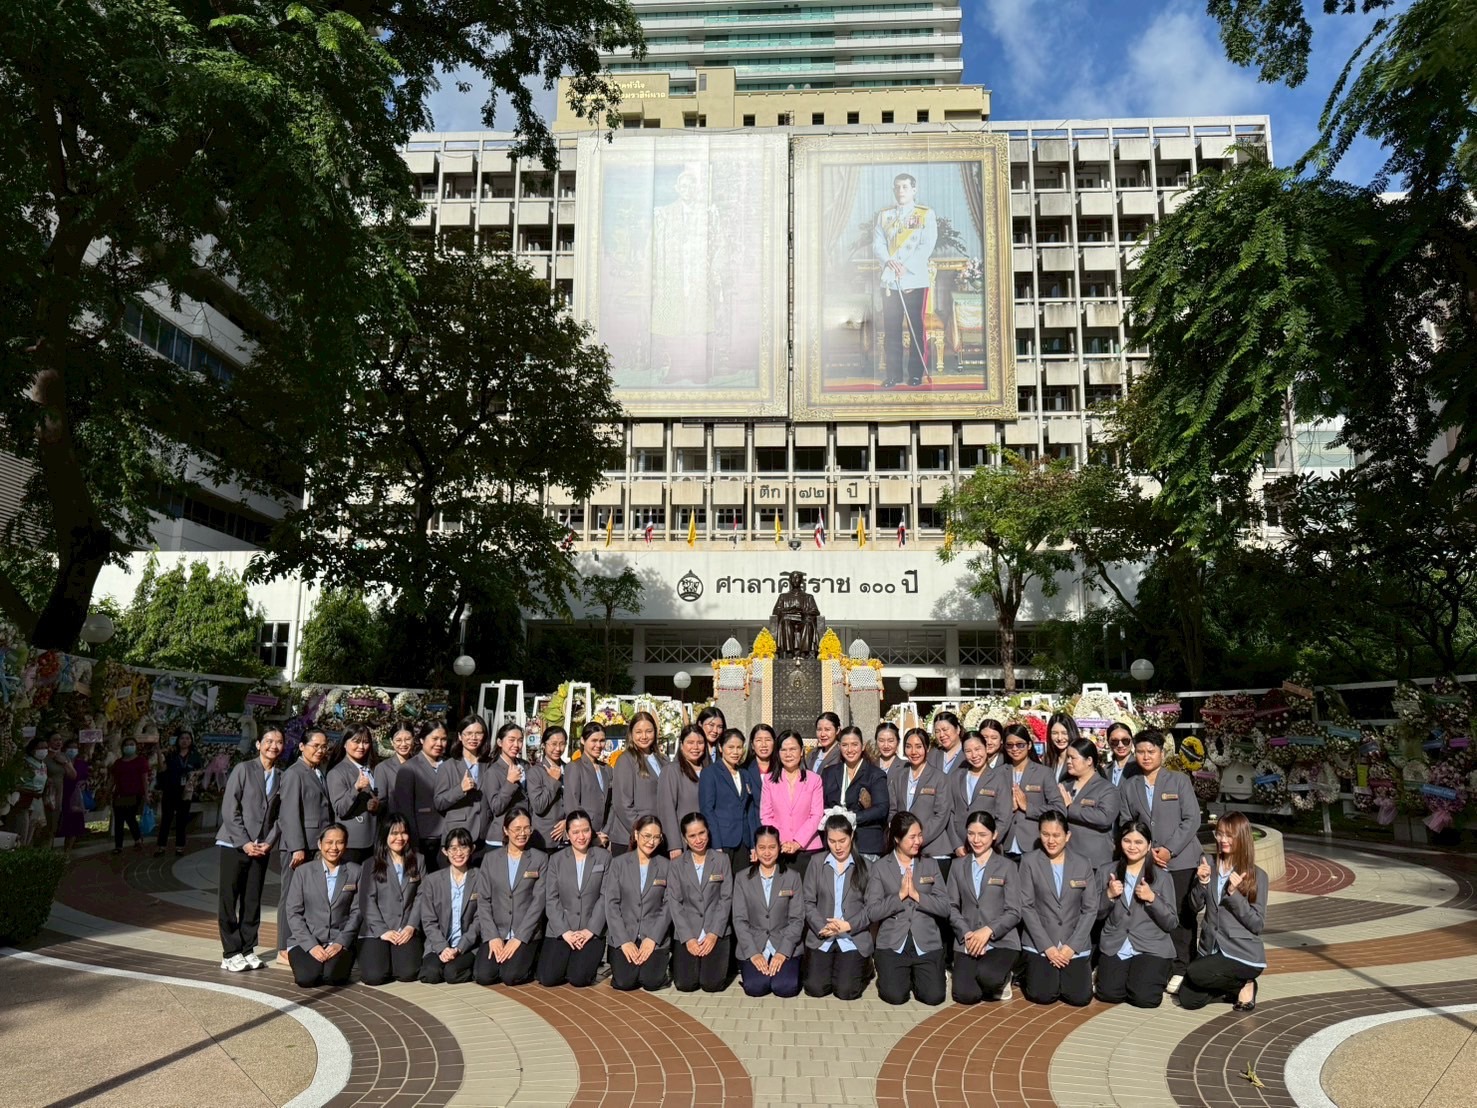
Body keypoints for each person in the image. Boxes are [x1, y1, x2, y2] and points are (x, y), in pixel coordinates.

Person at [1118, 727, 1202, 993]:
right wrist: (1146, 851)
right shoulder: (1129, 785)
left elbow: (1192, 819)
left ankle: (1182, 967)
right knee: (1156, 911)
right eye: (1140, 752)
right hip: (1149, 862)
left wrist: (1169, 849)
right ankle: (1162, 962)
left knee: (1182, 914)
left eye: (1151, 751)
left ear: (1162, 753)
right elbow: (1126, 822)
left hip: (1180, 860)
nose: (1145, 756)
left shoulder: (1179, 781)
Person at [1179, 811, 1267, 1012]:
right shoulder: (1207, 863)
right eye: (1219, 834)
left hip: (1241, 952)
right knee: (1189, 1000)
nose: (1223, 840)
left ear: (1242, 837)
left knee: (1195, 972)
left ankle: (1246, 983)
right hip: (1210, 947)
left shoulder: (1257, 876)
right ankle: (1236, 988)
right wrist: (1202, 883)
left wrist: (1234, 895)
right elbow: (1194, 906)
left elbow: (1257, 924)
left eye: (1229, 835)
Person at [216, 727, 284, 973]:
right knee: (229, 897)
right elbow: (229, 808)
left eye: (278, 742)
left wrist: (270, 841)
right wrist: (244, 842)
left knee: (252, 898)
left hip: (261, 847)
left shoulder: (282, 776)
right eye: (268, 741)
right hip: (235, 844)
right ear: (258, 744)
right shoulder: (243, 769)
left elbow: (281, 816)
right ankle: (230, 952)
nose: (273, 746)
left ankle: (247, 948)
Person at [867, 811, 949, 1005]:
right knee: (895, 996)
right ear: (897, 838)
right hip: (893, 941)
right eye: (912, 837)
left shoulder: (930, 864)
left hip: (926, 941)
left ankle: (926, 974)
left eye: (920, 835)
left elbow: (945, 907)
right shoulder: (880, 867)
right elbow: (873, 911)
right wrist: (900, 896)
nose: (918, 841)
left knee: (934, 997)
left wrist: (918, 896)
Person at [1018, 810, 1099, 1006]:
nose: (1051, 840)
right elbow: (1026, 906)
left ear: (1067, 836)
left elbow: (1090, 909)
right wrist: (1048, 947)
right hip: (1042, 941)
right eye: (1045, 834)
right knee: (1043, 996)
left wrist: (1072, 947)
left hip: (1073, 941)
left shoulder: (1083, 863)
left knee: (1080, 998)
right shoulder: (1029, 862)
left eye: (1056, 835)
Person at [1096, 819, 1178, 1008]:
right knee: (1108, 994)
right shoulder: (1106, 871)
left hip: (1151, 945)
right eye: (1127, 841)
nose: (1132, 847)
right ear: (1120, 842)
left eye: (1138, 842)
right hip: (1116, 942)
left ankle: (1155, 974)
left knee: (1144, 998)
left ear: (1148, 845)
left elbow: (1171, 922)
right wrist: (1108, 896)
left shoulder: (1162, 877)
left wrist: (1152, 899)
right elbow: (1095, 914)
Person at [947, 811, 1021, 1004]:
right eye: (971, 834)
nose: (976, 840)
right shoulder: (957, 866)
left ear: (994, 835)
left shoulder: (1008, 867)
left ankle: (1003, 977)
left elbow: (1014, 911)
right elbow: (951, 906)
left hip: (1000, 939)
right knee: (965, 995)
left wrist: (988, 930)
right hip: (969, 939)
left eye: (982, 834)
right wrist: (967, 933)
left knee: (989, 978)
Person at [872, 171, 937, 387]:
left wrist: (905, 267)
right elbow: (878, 244)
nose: (901, 191)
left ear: (914, 190)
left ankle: (916, 374)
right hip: (890, 280)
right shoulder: (884, 216)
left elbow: (926, 246)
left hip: (914, 280)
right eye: (897, 187)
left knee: (915, 328)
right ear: (893, 190)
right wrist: (889, 261)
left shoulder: (925, 214)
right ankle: (894, 375)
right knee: (891, 329)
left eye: (905, 187)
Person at [537, 809, 612, 988]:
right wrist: (565, 932)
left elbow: (605, 896)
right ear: (568, 834)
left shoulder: (604, 857)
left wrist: (590, 930)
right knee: (548, 978)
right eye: (575, 832)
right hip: (563, 928)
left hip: (590, 929)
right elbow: (551, 898)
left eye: (586, 830)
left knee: (579, 979)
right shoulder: (556, 860)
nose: (581, 836)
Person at [802, 813, 872, 1000]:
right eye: (832, 841)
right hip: (823, 936)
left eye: (842, 840)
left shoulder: (866, 866)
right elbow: (808, 901)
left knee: (846, 991)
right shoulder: (817, 863)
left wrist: (849, 925)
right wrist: (821, 926)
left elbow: (871, 908)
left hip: (851, 937)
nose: (838, 847)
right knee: (815, 988)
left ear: (852, 836)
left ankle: (865, 966)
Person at [474, 806, 546, 986]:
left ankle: (533, 959)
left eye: (527, 828)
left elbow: (538, 903)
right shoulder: (490, 859)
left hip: (525, 932)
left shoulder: (540, 859)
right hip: (498, 930)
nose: (522, 833)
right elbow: (484, 900)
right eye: (517, 829)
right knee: (484, 976)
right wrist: (492, 936)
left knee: (510, 976)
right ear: (506, 830)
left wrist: (519, 938)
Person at [278, 729, 333, 963]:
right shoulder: (294, 773)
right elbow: (289, 813)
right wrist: (297, 847)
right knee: (291, 896)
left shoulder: (318, 772)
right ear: (301, 746)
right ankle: (284, 946)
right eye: (315, 745)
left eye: (323, 746)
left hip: (316, 844)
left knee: (309, 896)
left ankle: (304, 942)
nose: (320, 750)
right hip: (300, 846)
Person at [284, 823, 361, 987]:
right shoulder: (303, 872)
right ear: (320, 844)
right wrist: (311, 946)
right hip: (306, 939)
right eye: (329, 842)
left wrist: (341, 942)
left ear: (346, 845)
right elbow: (293, 912)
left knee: (333, 978)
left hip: (338, 939)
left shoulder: (355, 871)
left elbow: (357, 912)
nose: (334, 847)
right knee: (306, 979)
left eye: (339, 842)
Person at [732, 825, 805, 998]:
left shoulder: (792, 877)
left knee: (785, 988)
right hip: (755, 943)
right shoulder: (742, 878)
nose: (767, 853)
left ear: (779, 848)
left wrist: (782, 952)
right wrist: (753, 953)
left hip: (783, 942)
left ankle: (789, 970)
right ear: (755, 849)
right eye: (762, 847)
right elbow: (739, 920)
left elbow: (797, 919)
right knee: (755, 987)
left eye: (772, 847)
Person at [603, 814, 673, 991]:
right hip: (626, 934)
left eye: (656, 837)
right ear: (636, 834)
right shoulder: (618, 864)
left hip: (652, 935)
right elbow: (611, 904)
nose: (651, 841)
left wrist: (653, 938)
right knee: (624, 982)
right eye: (647, 836)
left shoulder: (666, 866)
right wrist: (624, 941)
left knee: (651, 982)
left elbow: (668, 905)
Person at [668, 813, 734, 993]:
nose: (698, 840)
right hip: (688, 931)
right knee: (685, 985)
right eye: (692, 836)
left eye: (701, 833)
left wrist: (713, 934)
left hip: (715, 929)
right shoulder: (676, 865)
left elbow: (726, 898)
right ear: (685, 838)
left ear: (708, 832)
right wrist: (688, 938)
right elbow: (675, 903)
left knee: (711, 985)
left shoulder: (721, 860)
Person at [359, 815, 424, 985]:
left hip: (405, 928)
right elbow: (367, 900)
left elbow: (422, 896)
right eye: (394, 833)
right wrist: (383, 931)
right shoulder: (370, 864)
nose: (399, 838)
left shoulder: (419, 860)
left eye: (403, 833)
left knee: (408, 973)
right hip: (377, 930)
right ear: (384, 835)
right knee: (375, 976)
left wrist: (411, 926)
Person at [418, 828, 481, 984]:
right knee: (431, 974)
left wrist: (459, 947)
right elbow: (428, 921)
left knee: (452, 974)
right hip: (439, 944)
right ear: (445, 851)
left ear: (472, 849)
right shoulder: (432, 881)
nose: (458, 853)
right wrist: (443, 948)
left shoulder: (480, 878)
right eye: (453, 848)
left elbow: (479, 919)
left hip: (467, 945)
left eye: (463, 847)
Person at [889, 728, 954, 875]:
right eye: (908, 746)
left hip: (933, 850)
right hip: (904, 851)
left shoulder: (939, 778)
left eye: (918, 746)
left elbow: (941, 815)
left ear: (927, 748)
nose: (913, 752)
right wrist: (902, 838)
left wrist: (917, 839)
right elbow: (893, 811)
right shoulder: (898, 777)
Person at [822, 726, 889, 860]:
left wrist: (854, 817)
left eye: (854, 744)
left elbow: (881, 809)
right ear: (839, 747)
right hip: (835, 841)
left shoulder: (875, 774)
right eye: (845, 745)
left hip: (864, 841)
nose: (850, 750)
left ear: (862, 747)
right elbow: (822, 802)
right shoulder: (829, 772)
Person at [761, 730, 824, 872]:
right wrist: (782, 841)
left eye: (793, 749)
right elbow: (766, 815)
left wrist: (797, 842)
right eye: (783, 750)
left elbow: (816, 815)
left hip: (808, 849)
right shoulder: (769, 781)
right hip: (780, 848)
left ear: (801, 751)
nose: (788, 754)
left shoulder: (814, 780)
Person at [433, 715, 494, 859]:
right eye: (468, 733)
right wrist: (460, 789)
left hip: (486, 834)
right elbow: (439, 802)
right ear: (460, 736)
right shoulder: (447, 766)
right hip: (458, 836)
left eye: (478, 733)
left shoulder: (490, 764)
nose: (473, 737)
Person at [1056, 738, 1121, 871]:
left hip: (1094, 861)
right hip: (1066, 858)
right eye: (1068, 757)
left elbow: (1104, 818)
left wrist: (1070, 808)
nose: (1068, 761)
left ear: (1089, 761)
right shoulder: (1064, 785)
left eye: (1073, 758)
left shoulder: (1106, 789)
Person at [992, 722, 1054, 860]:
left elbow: (1058, 809)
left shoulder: (1044, 773)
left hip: (1033, 845)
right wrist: (1009, 809)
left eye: (1020, 744)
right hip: (1004, 845)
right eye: (1009, 745)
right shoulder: (997, 773)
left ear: (1029, 745)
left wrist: (1028, 808)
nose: (1015, 749)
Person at [699, 728, 756, 868]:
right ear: (720, 748)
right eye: (731, 747)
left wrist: (753, 844)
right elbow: (707, 810)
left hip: (743, 842)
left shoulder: (745, 774)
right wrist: (716, 844)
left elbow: (749, 811)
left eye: (739, 748)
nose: (735, 752)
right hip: (722, 840)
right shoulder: (710, 773)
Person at [610, 711, 664, 856]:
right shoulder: (626, 760)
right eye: (639, 732)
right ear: (631, 734)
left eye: (649, 731)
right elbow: (622, 803)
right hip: (632, 839)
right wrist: (642, 832)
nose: (644, 736)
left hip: (656, 838)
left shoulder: (662, 760)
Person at [396, 721, 447, 870]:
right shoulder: (409, 768)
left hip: (448, 835)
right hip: (424, 835)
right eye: (434, 739)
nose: (439, 744)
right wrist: (413, 840)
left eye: (443, 739)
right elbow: (405, 808)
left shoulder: (450, 764)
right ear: (422, 740)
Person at [328, 724, 382, 865]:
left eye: (365, 742)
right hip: (352, 842)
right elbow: (340, 809)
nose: (361, 747)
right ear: (345, 744)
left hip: (373, 840)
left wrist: (377, 805)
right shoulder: (337, 772)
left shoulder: (372, 768)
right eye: (356, 742)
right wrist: (355, 788)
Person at [658, 724, 706, 858]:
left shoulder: (709, 771)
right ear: (682, 745)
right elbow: (667, 810)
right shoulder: (671, 771)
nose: (695, 747)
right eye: (690, 743)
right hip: (683, 842)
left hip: (705, 841)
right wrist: (674, 845)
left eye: (700, 743)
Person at [564, 722, 612, 849]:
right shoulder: (575, 767)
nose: (598, 745)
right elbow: (572, 804)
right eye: (594, 741)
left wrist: (606, 832)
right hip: (583, 836)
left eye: (602, 741)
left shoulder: (607, 769)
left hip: (604, 835)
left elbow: (612, 804)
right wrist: (590, 834)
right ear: (583, 741)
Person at [154, 731, 203, 856]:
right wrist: (158, 752)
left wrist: (195, 774)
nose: (185, 741)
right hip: (170, 790)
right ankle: (161, 846)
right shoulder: (172, 755)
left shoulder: (194, 756)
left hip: (186, 791)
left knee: (182, 819)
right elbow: (162, 768)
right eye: (182, 738)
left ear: (191, 741)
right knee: (166, 819)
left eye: (187, 738)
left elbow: (201, 770)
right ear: (178, 740)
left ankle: (179, 847)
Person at [951, 732, 997, 860]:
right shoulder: (955, 777)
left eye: (978, 749)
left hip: (988, 848)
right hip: (961, 847)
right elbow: (949, 812)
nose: (974, 755)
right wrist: (956, 844)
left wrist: (988, 841)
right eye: (968, 751)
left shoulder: (998, 778)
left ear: (986, 748)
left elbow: (1004, 817)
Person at [484, 723, 529, 851]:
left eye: (520, 740)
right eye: (511, 740)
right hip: (500, 838)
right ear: (500, 742)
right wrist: (509, 783)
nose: (516, 745)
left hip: (523, 835)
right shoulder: (493, 771)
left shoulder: (525, 766)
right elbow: (496, 807)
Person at [108, 735, 153, 854]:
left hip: (135, 794)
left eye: (131, 745)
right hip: (119, 794)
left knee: (129, 816)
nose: (129, 747)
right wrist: (107, 793)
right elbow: (112, 780)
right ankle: (119, 845)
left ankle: (137, 838)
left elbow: (144, 779)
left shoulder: (141, 761)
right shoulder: (118, 763)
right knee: (119, 820)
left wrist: (146, 794)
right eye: (126, 745)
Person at [526, 726, 568, 852]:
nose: (558, 749)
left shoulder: (570, 769)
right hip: (545, 838)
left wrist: (568, 821)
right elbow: (538, 806)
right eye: (553, 744)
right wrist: (553, 781)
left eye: (562, 744)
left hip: (569, 835)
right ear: (544, 745)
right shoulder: (535, 772)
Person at [58, 739, 91, 854]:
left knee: (74, 825)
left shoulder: (81, 764)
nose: (72, 750)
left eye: (75, 747)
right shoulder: (58, 762)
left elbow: (84, 778)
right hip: (61, 794)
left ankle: (67, 851)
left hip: (75, 797)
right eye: (70, 747)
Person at [743, 723, 776, 836]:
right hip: (752, 830)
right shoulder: (744, 771)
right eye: (758, 740)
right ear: (752, 745)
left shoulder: (782, 770)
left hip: (777, 830)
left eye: (768, 740)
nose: (764, 745)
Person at [375, 724, 417, 807]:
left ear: (413, 739)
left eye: (407, 739)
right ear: (391, 741)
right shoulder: (383, 768)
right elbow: (380, 801)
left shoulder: (420, 765)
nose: (403, 744)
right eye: (398, 740)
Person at [1043, 713, 1079, 783]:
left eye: (1064, 733)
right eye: (1055, 733)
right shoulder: (1047, 759)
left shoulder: (1079, 760)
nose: (1059, 738)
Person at [1101, 722, 1139, 787]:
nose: (1120, 745)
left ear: (1132, 740)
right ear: (1108, 742)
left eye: (1125, 740)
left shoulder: (1140, 767)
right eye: (1115, 741)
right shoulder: (1105, 770)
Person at [929, 711, 965, 776]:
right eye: (937, 731)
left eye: (945, 729)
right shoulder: (933, 755)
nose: (941, 735)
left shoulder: (968, 753)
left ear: (957, 729)